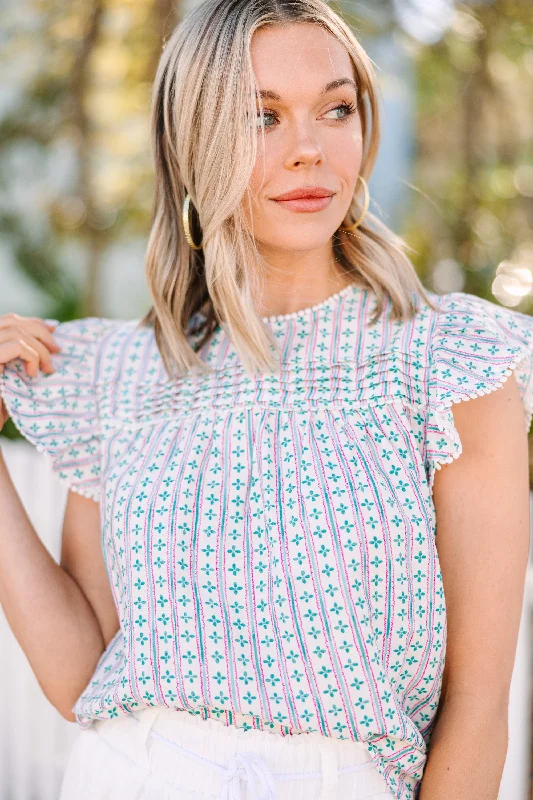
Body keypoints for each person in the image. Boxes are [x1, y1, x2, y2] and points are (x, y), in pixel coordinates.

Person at [0, 1, 531, 798]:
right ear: (191, 143)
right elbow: (85, 674)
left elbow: (477, 708)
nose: (310, 149)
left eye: (335, 108)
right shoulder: (123, 371)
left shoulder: (448, 362)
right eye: (261, 117)